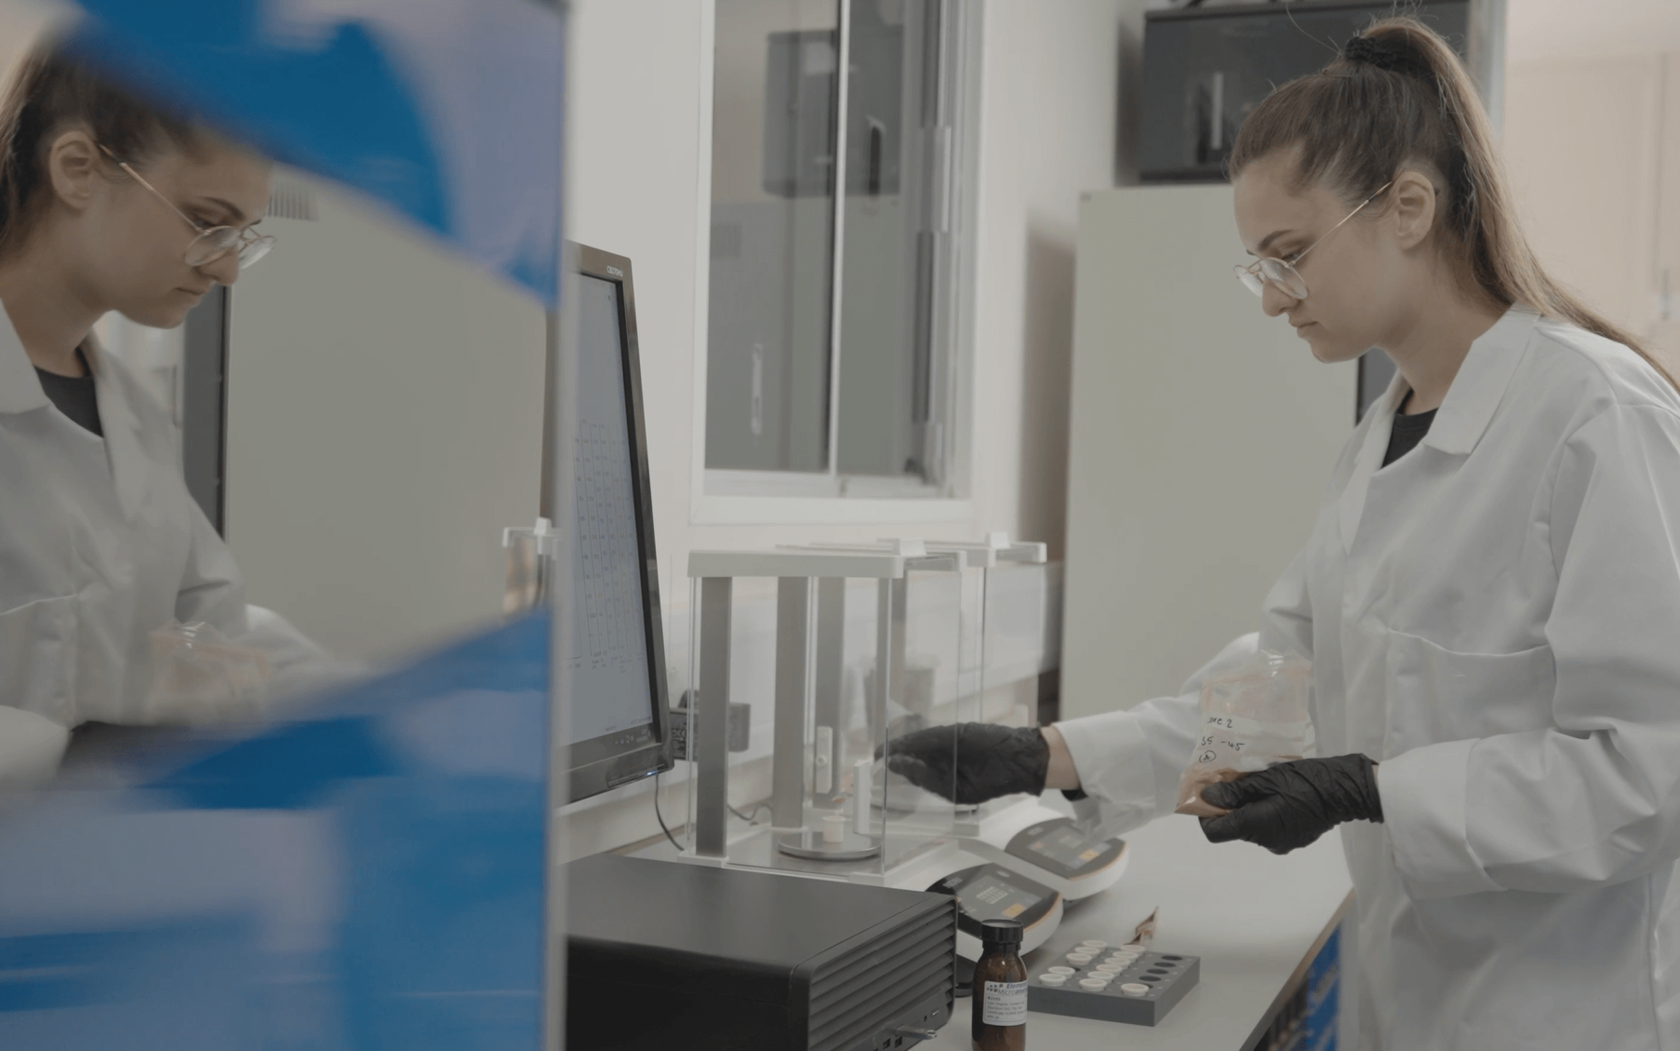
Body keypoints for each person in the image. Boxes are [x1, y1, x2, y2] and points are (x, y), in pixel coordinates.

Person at [888, 17, 1680, 1051]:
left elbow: (1646, 774)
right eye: (1256, 265)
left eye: (1289, 256)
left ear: (1409, 206)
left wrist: (1374, 787)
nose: (1269, 299)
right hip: (1409, 993)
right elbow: (1280, 684)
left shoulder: (1596, 420)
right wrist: (1050, 753)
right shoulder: (1378, 442)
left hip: (1562, 1013)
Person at [0, 46, 321, 781]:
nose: (228, 266)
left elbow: (219, 628)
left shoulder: (133, 417)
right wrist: (86, 752)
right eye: (208, 221)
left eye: (242, 234)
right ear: (78, 169)